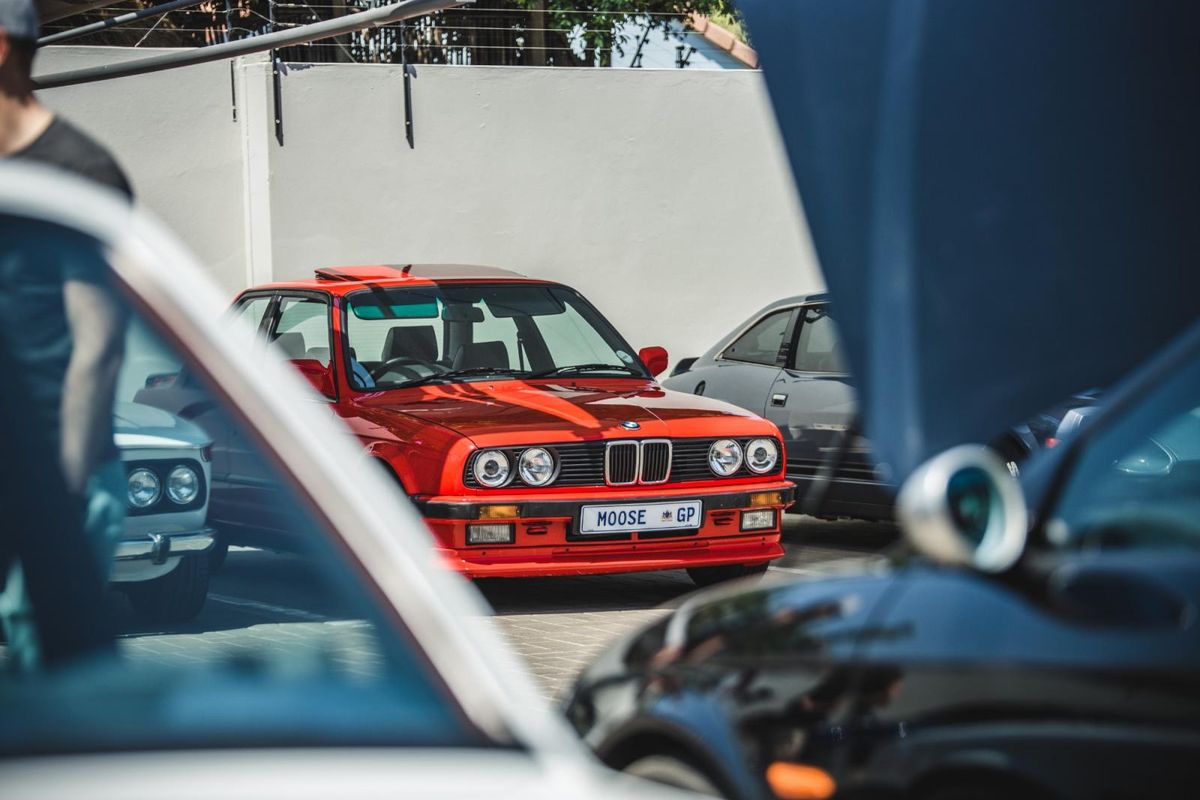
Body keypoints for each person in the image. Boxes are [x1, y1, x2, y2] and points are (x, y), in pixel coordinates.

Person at [0, 0, 130, 668]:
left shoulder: (78, 174)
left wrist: (60, 502)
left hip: (57, 474)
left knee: (52, 675)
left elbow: (97, 346)